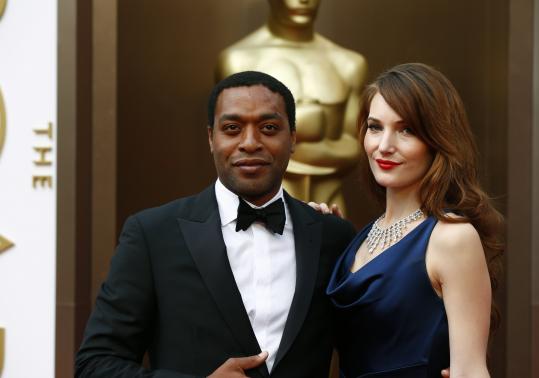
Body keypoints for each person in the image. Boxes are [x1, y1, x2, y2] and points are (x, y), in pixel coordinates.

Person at [74, 71, 356, 378]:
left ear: (293, 139)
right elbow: (95, 364)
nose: (250, 143)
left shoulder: (333, 236)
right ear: (211, 138)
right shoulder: (152, 235)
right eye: (232, 128)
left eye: (269, 128)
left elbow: (363, 355)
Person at [322, 63, 503, 377]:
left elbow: (471, 370)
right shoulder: (361, 238)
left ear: (437, 140)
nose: (384, 146)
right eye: (375, 127)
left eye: (406, 130)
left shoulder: (452, 237)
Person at [216, 0, 367, 213]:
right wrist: (316, 138)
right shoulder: (238, 60)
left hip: (331, 202)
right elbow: (233, 144)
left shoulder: (349, 63)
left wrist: (283, 142)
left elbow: (356, 146)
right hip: (262, 204)